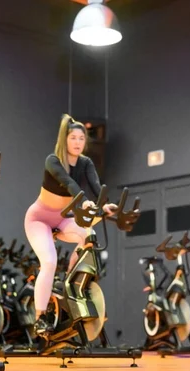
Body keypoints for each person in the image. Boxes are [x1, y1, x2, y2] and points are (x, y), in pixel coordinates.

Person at [27, 114, 116, 338]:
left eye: (81, 139)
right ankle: (39, 318)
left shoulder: (86, 163)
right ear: (65, 139)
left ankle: (70, 281)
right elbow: (69, 183)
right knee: (48, 262)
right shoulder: (53, 160)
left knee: (88, 234)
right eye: (73, 137)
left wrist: (104, 206)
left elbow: (96, 187)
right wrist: (83, 200)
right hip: (39, 219)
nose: (77, 142)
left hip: (63, 218)